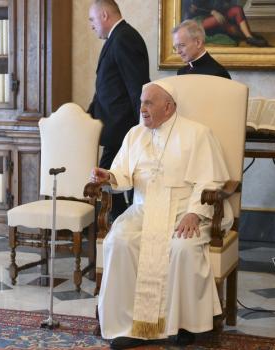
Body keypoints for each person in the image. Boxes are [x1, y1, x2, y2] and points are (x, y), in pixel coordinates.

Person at [90, 82, 233, 349]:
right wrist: (107, 176)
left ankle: (183, 325)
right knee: (119, 241)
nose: (141, 108)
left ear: (168, 107)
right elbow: (123, 174)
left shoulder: (197, 134)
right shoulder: (134, 134)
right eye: (141, 102)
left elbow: (210, 181)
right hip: (143, 210)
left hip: (184, 210)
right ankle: (128, 324)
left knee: (183, 248)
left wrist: (193, 213)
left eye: (149, 103)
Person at [87, 0, 150, 220]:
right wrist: (87, 117)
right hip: (114, 130)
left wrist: (143, 129)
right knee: (106, 185)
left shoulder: (124, 38)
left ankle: (117, 230)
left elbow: (137, 88)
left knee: (106, 184)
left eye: (92, 19)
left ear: (104, 15)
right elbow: (107, 87)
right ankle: (115, 230)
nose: (91, 25)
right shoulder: (116, 37)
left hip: (124, 131)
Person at [183, 0, 268, 47]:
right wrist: (212, 12)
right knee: (221, 21)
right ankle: (243, 35)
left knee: (237, 9)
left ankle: (249, 37)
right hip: (199, 21)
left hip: (220, 16)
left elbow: (225, 6)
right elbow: (193, 9)